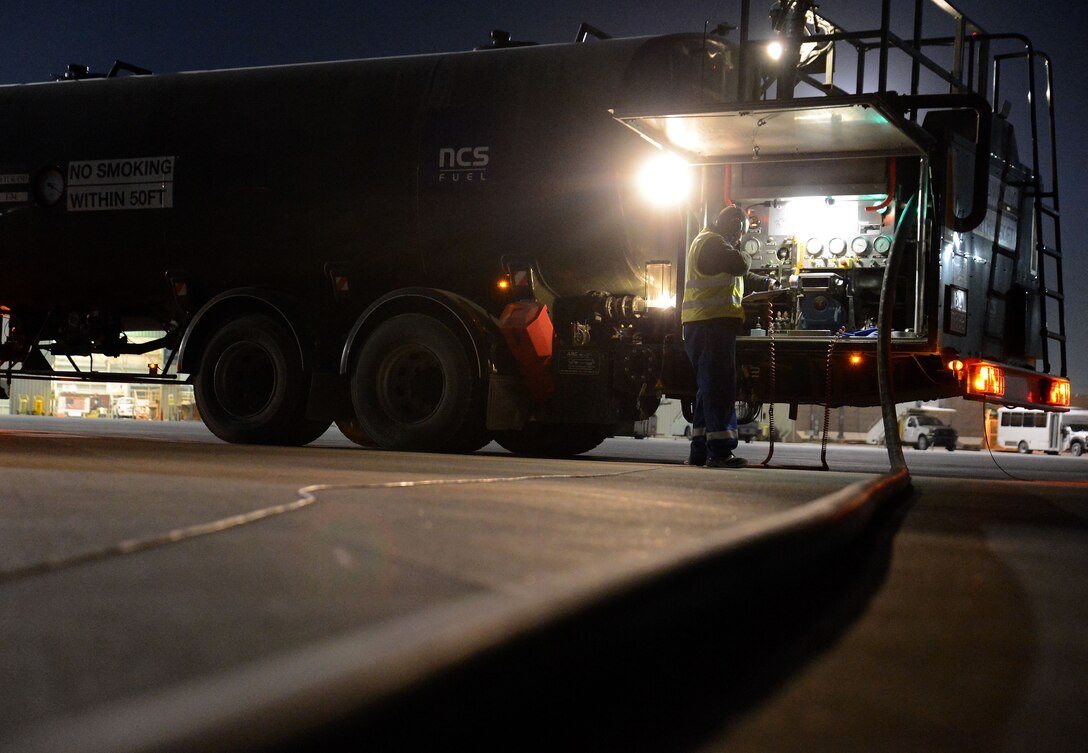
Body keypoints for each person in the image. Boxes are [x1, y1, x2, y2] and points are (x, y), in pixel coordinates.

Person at [682, 205, 773, 468]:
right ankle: (720, 452)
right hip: (711, 326)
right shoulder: (713, 243)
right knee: (719, 388)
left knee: (707, 389)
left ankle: (699, 451)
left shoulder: (709, 242)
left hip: (703, 324)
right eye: (739, 233)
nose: (738, 239)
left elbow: (740, 274)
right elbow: (739, 263)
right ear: (733, 227)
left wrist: (769, 284)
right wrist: (745, 247)